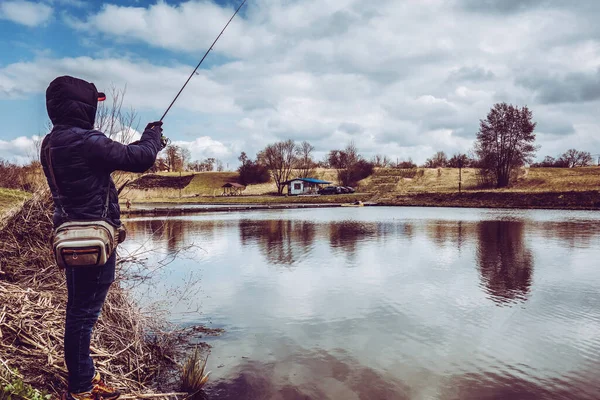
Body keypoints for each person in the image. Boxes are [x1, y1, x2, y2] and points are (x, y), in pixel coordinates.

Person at [40, 76, 165, 400]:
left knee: (79, 310)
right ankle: (81, 388)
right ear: (82, 107)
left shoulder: (50, 143)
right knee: (83, 314)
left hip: (69, 235)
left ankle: (85, 378)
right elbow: (138, 158)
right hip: (92, 239)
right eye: (93, 104)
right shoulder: (86, 140)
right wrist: (152, 136)